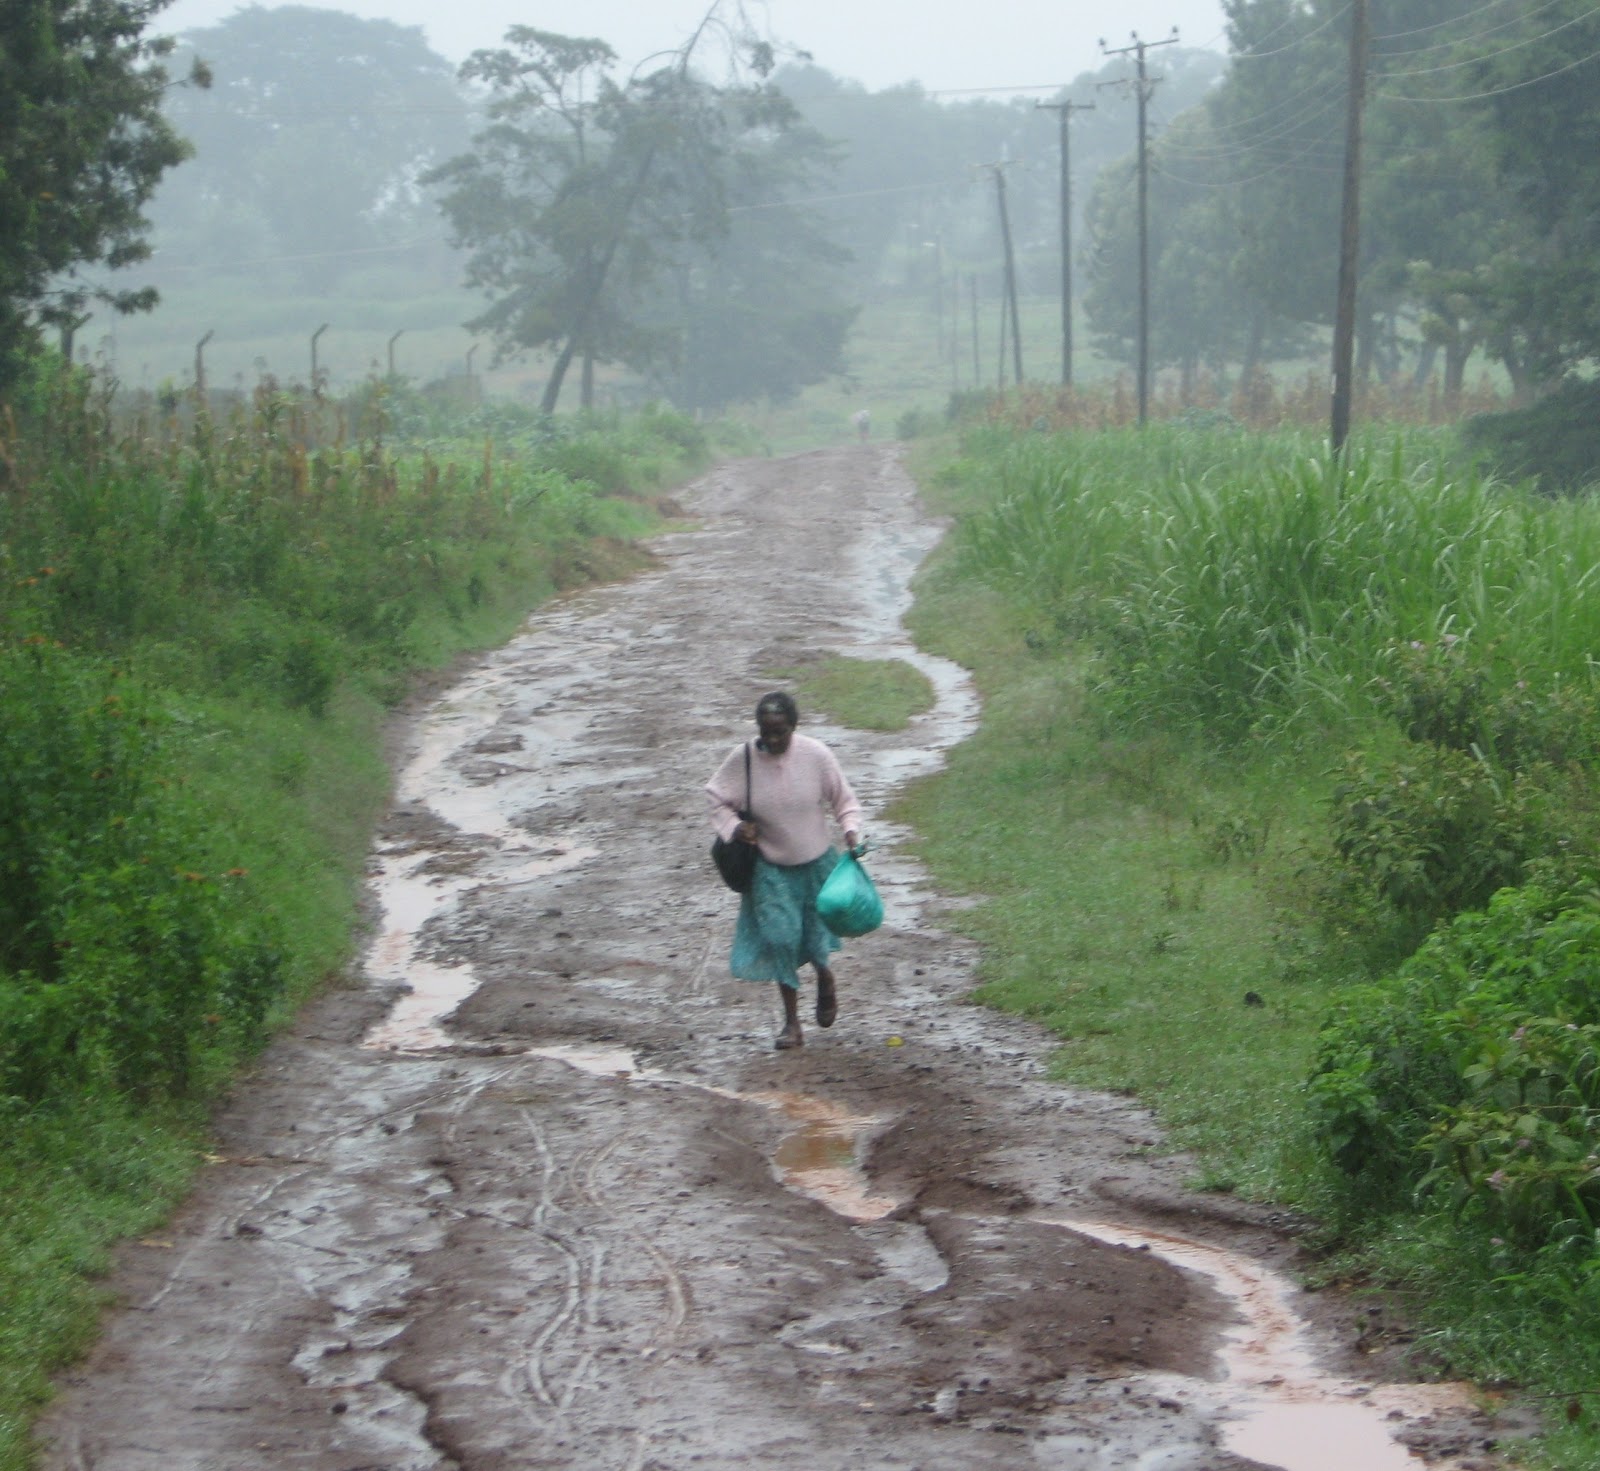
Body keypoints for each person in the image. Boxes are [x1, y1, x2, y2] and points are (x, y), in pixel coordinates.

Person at [706, 692, 863, 1050]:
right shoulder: (744, 758)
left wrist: (851, 832)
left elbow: (845, 801)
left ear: (794, 726)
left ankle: (824, 977)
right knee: (781, 940)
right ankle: (792, 1024)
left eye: (780, 732)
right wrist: (735, 828)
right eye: (766, 732)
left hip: (817, 865)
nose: (772, 740)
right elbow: (716, 798)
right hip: (770, 869)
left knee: (816, 938)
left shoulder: (816, 755)